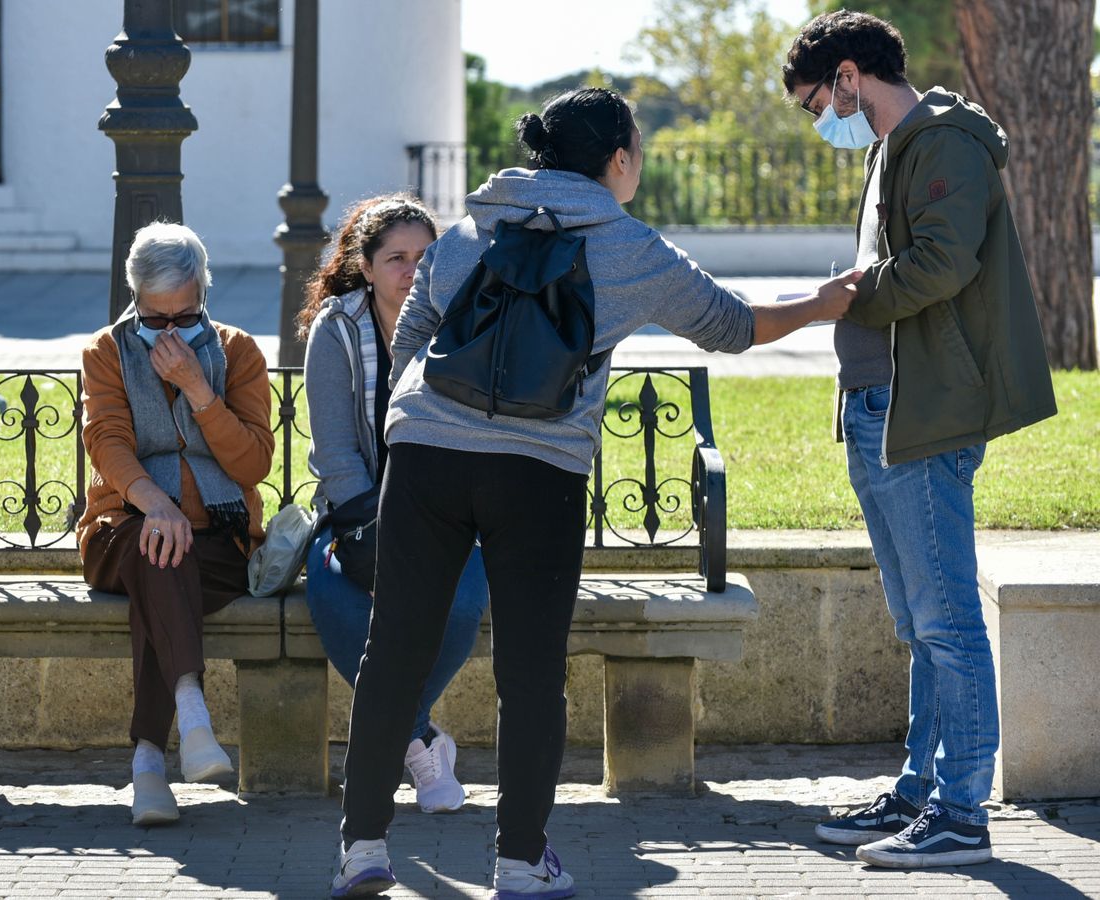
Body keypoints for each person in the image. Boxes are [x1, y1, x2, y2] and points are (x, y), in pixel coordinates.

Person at [327, 87, 861, 900]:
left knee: (393, 650)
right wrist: (823, 304)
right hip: (539, 472)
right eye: (637, 150)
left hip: (428, 456)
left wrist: (410, 415)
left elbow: (415, 325)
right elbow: (733, 324)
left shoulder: (475, 225)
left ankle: (362, 849)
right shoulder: (629, 246)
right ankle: (519, 861)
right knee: (532, 670)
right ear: (617, 159)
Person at [781, 10, 1056, 869]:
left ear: (851, 76)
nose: (818, 118)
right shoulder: (890, 149)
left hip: (921, 411)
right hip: (883, 406)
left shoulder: (943, 142)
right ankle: (919, 791)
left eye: (816, 100)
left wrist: (847, 299)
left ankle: (963, 816)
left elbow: (943, 262)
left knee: (947, 623)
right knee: (920, 622)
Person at [297, 194, 490, 815]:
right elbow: (335, 451)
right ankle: (419, 741)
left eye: (425, 257)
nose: (411, 271)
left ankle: (389, 740)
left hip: (450, 517)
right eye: (396, 259)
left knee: (458, 607)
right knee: (338, 602)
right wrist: (378, 544)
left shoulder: (465, 318)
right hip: (358, 518)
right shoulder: (338, 327)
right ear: (368, 266)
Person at [78, 222, 275, 827]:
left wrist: (198, 390)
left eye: (183, 317)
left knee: (167, 574)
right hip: (123, 531)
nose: (169, 333)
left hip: (217, 540)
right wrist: (154, 503)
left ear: (203, 297)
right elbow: (107, 440)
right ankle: (191, 709)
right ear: (135, 300)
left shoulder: (237, 353)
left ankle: (146, 765)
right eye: (155, 319)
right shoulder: (107, 351)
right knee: (157, 548)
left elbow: (252, 461)